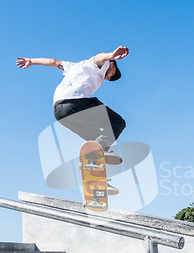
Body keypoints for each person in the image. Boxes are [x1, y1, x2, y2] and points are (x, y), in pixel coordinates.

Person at [16, 46, 129, 194]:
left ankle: (97, 181)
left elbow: (53, 62)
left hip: (60, 112)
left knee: (95, 142)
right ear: (112, 65)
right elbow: (98, 58)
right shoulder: (100, 64)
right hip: (76, 102)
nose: (108, 78)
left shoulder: (73, 66)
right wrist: (110, 55)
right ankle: (100, 150)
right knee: (118, 122)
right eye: (111, 75)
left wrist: (32, 61)